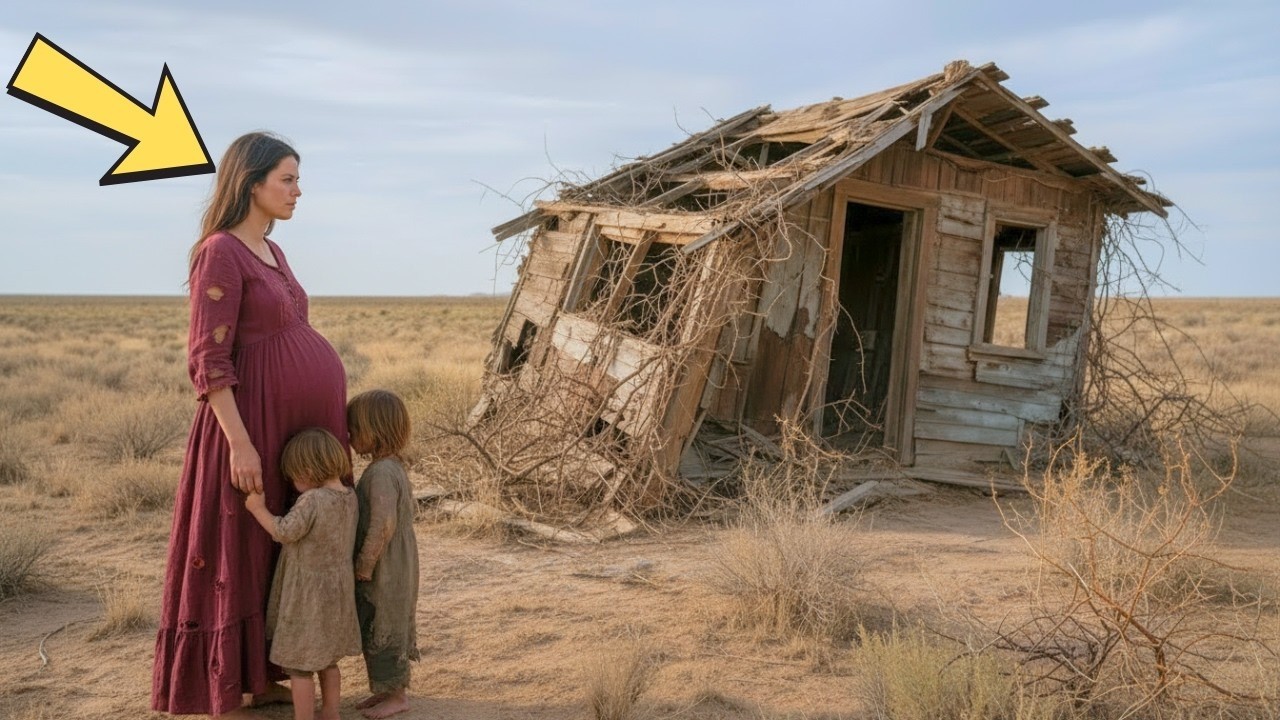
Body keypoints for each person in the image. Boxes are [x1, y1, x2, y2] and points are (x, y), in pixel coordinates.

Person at [152, 132, 351, 717]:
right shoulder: (220, 251)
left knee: (283, 550)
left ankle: (264, 672)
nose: (297, 191)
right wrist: (239, 443)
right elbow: (207, 360)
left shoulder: (272, 250)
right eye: (287, 179)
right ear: (251, 183)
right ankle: (226, 682)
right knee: (242, 539)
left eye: (297, 179)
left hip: (291, 427)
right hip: (252, 424)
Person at [245, 428, 361, 720]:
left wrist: (258, 509)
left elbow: (285, 531)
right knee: (328, 659)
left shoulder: (311, 501)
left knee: (300, 666)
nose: (293, 483)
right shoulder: (350, 497)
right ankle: (331, 712)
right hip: (337, 592)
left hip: (307, 596)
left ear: (308, 471)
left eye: (293, 476)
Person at [347, 390, 420, 719]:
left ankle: (397, 695)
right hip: (397, 559)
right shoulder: (391, 467)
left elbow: (384, 523)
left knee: (385, 621)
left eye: (354, 429)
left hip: (386, 564)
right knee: (380, 621)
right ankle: (385, 689)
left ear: (373, 431)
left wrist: (364, 565)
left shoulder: (380, 474)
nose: (348, 436)